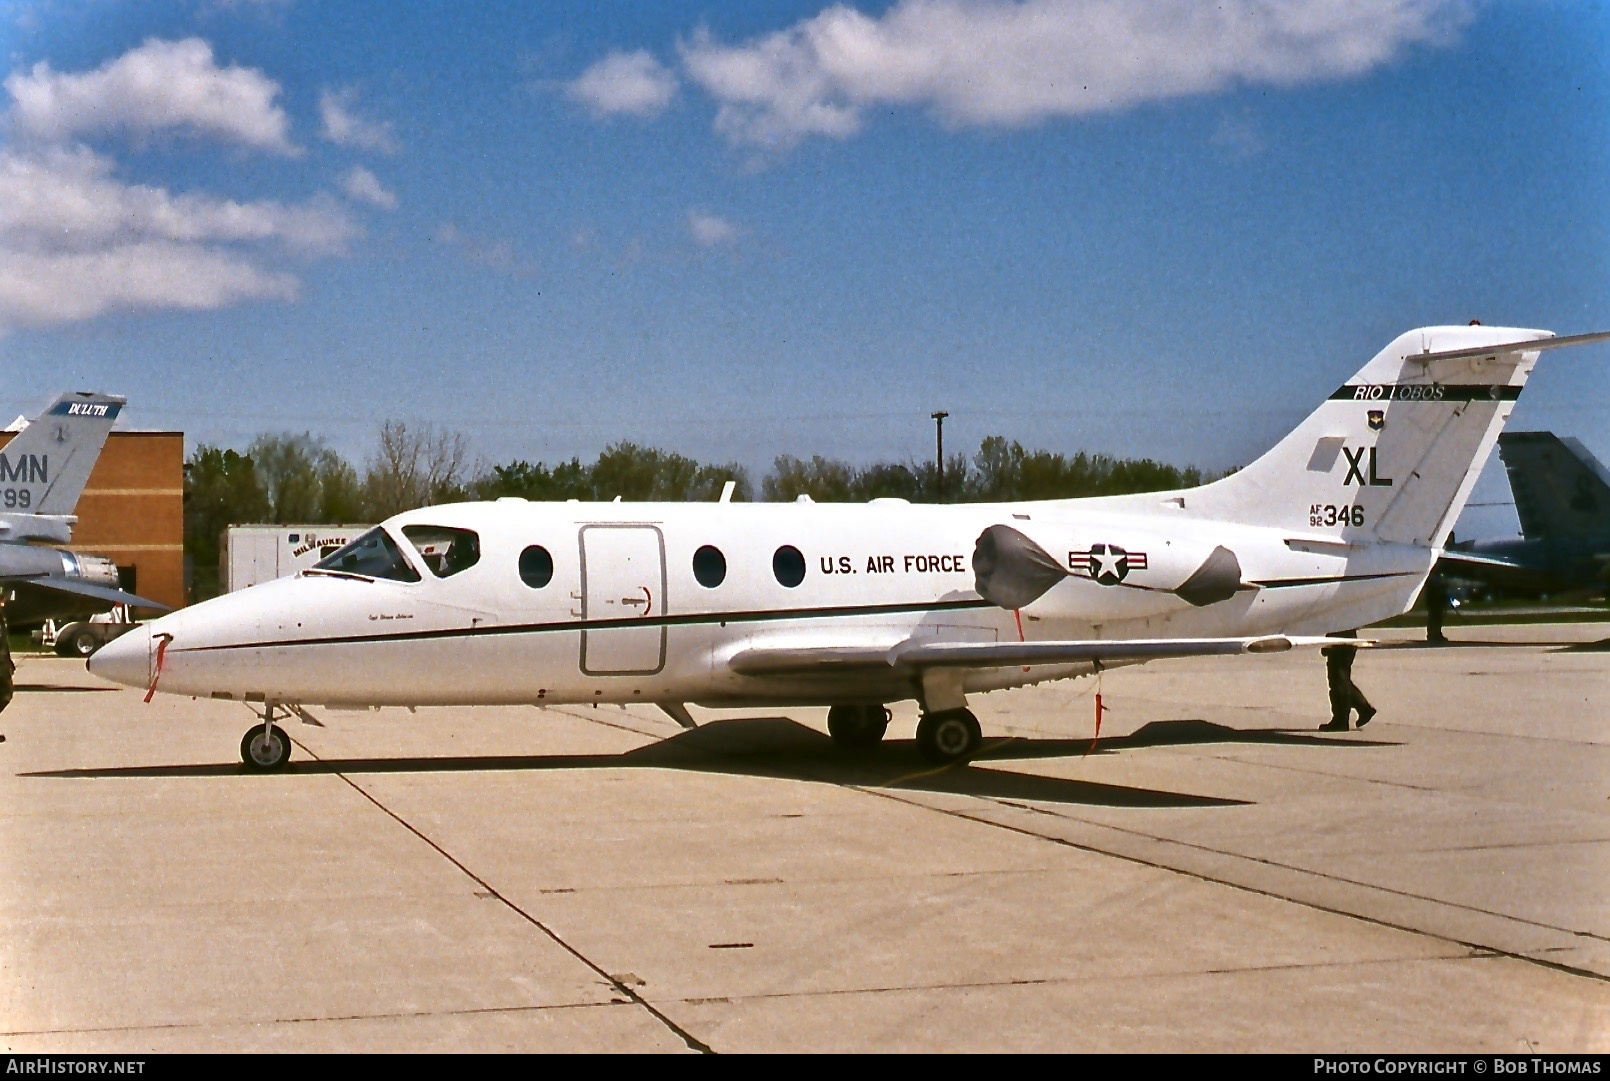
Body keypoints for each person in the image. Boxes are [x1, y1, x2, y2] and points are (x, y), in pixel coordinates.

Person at [1320, 631, 1375, 731]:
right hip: (1345, 641)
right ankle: (1363, 709)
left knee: (1338, 682)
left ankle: (1340, 720)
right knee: (1342, 680)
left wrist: (1328, 644)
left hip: (1340, 643)